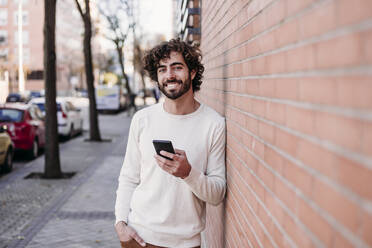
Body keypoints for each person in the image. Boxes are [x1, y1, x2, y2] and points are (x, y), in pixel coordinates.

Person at [115, 38, 226, 248]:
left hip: (184, 243)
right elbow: (128, 176)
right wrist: (120, 223)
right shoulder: (142, 119)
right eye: (162, 69)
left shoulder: (213, 124)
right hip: (137, 238)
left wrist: (188, 173)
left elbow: (217, 194)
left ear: (192, 72)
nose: (169, 75)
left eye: (177, 67)